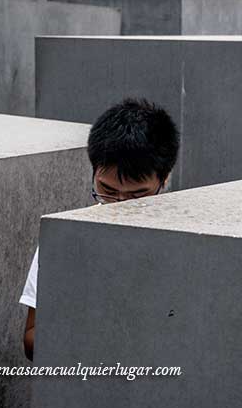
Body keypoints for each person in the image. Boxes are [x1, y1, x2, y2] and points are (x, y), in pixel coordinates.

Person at [20, 98, 180, 361]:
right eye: (106, 191)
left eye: (137, 196)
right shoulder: (67, 238)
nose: (119, 206)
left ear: (164, 179)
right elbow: (30, 340)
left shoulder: (185, 240)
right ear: (93, 172)